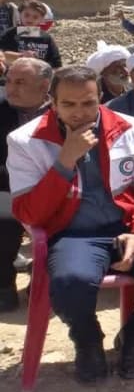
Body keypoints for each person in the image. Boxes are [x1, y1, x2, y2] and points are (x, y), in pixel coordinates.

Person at [8, 65, 134, 382]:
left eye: (88, 103)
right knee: (70, 284)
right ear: (52, 102)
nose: (80, 113)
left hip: (128, 226)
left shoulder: (130, 128)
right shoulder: (25, 141)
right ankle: (87, 339)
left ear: (100, 98)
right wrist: (64, 162)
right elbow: (29, 212)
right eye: (69, 104)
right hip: (74, 234)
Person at [0, 58, 53, 312]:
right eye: (9, 81)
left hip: (53, 190)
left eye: (20, 82)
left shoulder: (61, 112)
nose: (11, 88)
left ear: (45, 87)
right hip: (6, 190)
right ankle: (4, 285)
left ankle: (42, 277)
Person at [0, 1, 62, 68]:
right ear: (20, 14)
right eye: (27, 15)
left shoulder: (46, 38)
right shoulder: (9, 34)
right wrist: (21, 56)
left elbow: (56, 63)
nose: (30, 19)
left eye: (35, 17)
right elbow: (2, 55)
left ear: (42, 19)